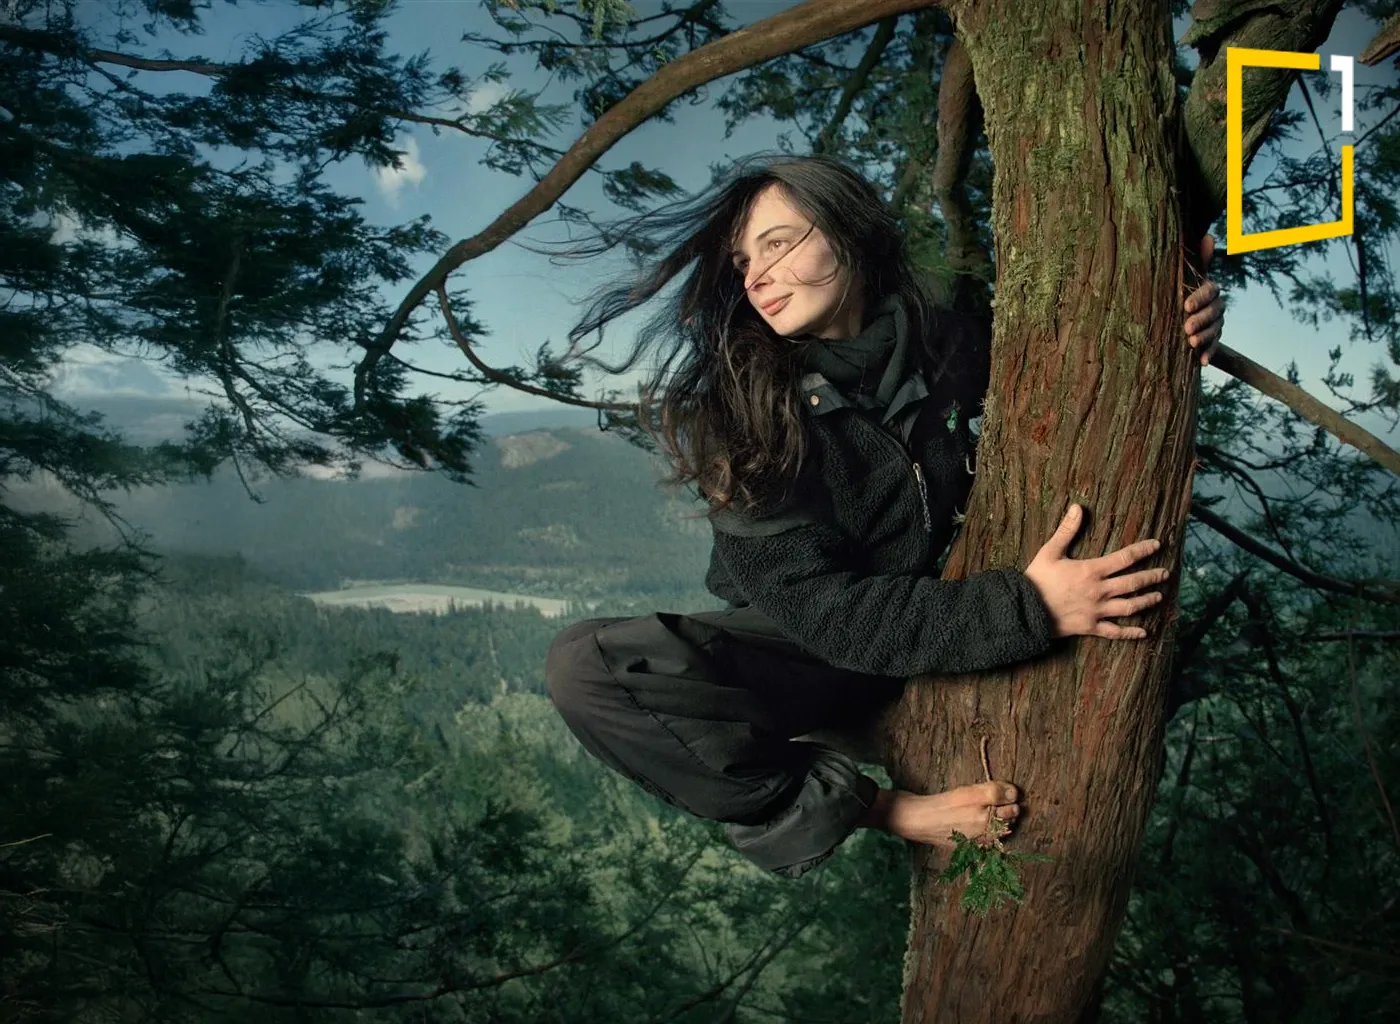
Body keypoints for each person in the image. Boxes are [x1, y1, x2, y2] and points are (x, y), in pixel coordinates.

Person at [543, 155, 1224, 879]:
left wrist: (1175, 321)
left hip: (939, 597)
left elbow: (1082, 360)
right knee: (585, 669)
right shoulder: (739, 412)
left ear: (848, 230)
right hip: (815, 649)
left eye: (776, 243)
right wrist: (1028, 609)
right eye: (744, 260)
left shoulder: (954, 335)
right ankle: (887, 810)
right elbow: (826, 613)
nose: (755, 276)